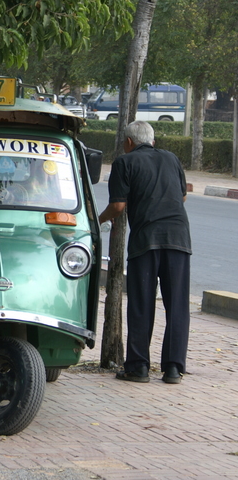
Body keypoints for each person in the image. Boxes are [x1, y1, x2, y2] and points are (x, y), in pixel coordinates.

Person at [98, 120, 191, 384]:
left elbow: (117, 207)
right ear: (153, 141)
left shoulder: (123, 162)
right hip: (179, 239)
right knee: (177, 305)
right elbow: (182, 196)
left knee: (141, 303)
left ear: (128, 142)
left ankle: (138, 367)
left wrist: (96, 221)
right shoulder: (171, 158)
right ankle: (173, 369)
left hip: (145, 240)